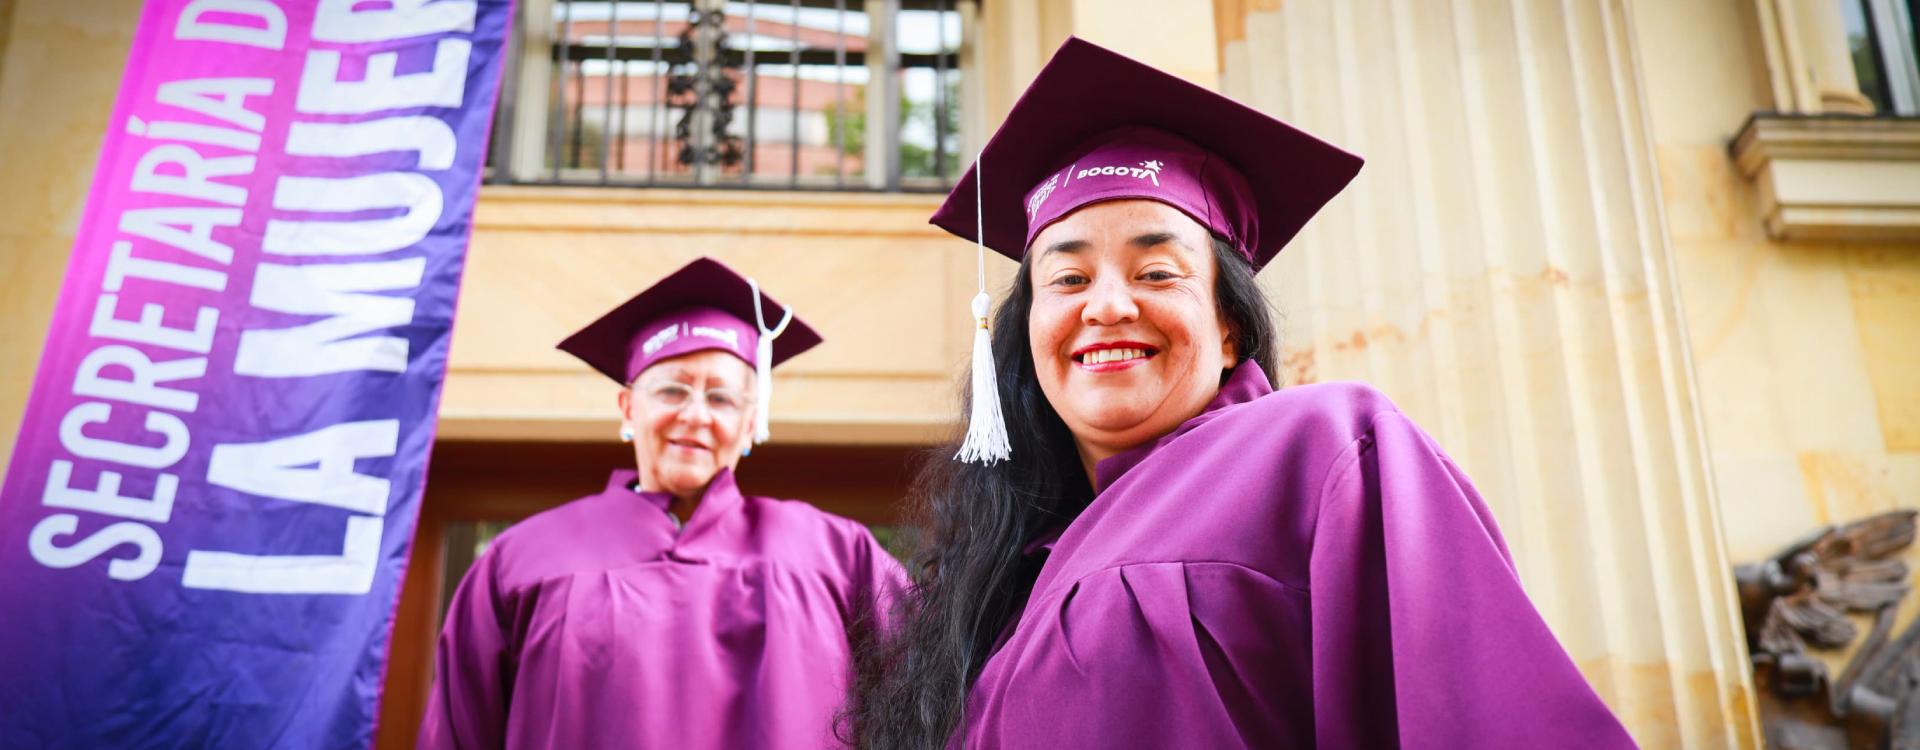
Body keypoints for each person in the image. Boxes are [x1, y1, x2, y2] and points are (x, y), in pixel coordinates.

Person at [844, 38, 1637, 749]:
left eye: (1158, 272)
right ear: (1025, 332)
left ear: (1229, 329)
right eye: (1068, 278)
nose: (1108, 305)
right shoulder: (1012, 568)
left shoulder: (1326, 448)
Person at [419, 257, 907, 749]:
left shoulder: (835, 555)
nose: (695, 415)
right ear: (629, 407)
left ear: (749, 423)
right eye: (672, 390)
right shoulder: (523, 560)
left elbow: (938, 699)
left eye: (722, 399)